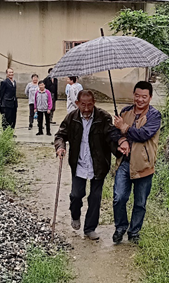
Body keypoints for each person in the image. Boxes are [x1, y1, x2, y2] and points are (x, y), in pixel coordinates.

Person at [54, 90, 119, 240]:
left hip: (98, 164)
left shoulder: (103, 117)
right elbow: (60, 135)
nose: (87, 108)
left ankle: (90, 228)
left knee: (95, 198)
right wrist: (60, 147)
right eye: (83, 105)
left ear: (94, 103)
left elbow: (111, 137)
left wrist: (120, 148)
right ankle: (75, 214)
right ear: (77, 103)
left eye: (90, 104)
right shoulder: (72, 117)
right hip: (79, 163)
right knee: (76, 195)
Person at [111, 81, 162, 244]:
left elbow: (143, 134)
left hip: (144, 165)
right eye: (137, 95)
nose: (140, 99)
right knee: (119, 197)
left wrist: (124, 128)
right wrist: (121, 140)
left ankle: (134, 232)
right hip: (124, 163)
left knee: (140, 203)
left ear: (150, 97)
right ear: (133, 95)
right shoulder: (125, 112)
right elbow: (114, 132)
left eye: (144, 97)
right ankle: (120, 227)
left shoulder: (154, 115)